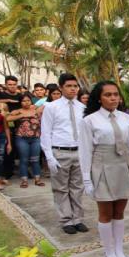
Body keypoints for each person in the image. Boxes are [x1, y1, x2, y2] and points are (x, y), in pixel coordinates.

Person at [80, 81, 129, 257]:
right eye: (108, 95)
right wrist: (87, 179)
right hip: (102, 167)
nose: (113, 98)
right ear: (99, 98)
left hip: (123, 166)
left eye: (115, 94)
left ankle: (120, 250)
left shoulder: (126, 118)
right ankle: (109, 252)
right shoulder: (90, 120)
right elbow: (85, 151)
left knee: (119, 212)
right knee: (106, 213)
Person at [41, 74, 88, 234]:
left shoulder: (82, 108)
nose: (73, 89)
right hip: (60, 151)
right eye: (69, 86)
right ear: (60, 87)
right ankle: (66, 220)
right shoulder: (51, 107)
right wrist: (49, 157)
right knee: (61, 188)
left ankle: (78, 218)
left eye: (75, 86)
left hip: (79, 151)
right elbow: (45, 132)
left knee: (77, 187)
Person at [8, 92, 44, 188]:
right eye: (24, 101)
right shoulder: (17, 111)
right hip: (22, 138)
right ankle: (24, 180)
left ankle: (37, 179)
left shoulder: (36, 110)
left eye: (28, 100)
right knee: (24, 159)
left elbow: (45, 103)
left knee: (35, 159)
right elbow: (7, 118)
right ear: (20, 102)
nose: (26, 102)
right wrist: (20, 115)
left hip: (36, 137)